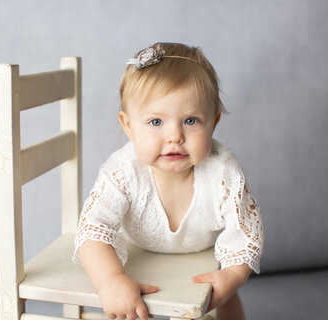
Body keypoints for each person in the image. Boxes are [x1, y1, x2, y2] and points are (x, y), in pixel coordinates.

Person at [73, 42, 264, 320]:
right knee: (120, 294)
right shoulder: (123, 170)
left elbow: (245, 232)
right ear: (128, 126)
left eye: (190, 120)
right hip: (138, 251)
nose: (174, 136)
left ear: (214, 121)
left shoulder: (222, 169)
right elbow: (93, 229)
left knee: (227, 298)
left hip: (202, 251)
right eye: (155, 122)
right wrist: (111, 279)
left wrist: (233, 274)